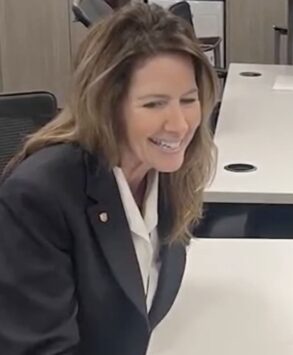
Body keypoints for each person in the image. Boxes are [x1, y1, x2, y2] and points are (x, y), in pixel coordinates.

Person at [0, 3, 217, 355]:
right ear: (107, 104)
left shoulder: (167, 173)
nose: (179, 124)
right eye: (154, 104)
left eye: (188, 100)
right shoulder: (37, 197)